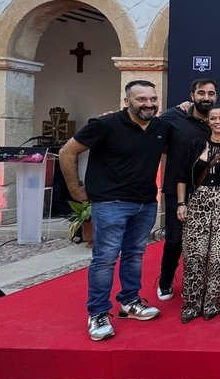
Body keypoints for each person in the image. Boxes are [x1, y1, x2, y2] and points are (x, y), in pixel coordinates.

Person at [59, 80, 170, 341]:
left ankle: (130, 301)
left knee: (134, 255)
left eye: (152, 99)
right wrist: (76, 191)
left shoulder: (161, 127)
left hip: (145, 203)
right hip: (111, 204)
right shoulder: (105, 124)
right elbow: (67, 152)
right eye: (141, 99)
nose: (149, 104)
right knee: (105, 258)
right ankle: (97, 313)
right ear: (127, 101)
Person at [175, 103, 220, 323]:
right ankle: (192, 302)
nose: (218, 122)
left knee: (218, 256)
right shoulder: (195, 144)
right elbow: (182, 176)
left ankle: (213, 301)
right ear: (208, 121)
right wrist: (181, 203)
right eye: (214, 118)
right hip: (197, 202)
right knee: (194, 254)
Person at [156, 79, 216, 302]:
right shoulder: (173, 116)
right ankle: (165, 279)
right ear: (192, 95)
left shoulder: (218, 119)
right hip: (176, 189)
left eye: (211, 93)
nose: (206, 97)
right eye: (202, 93)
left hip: (210, 190)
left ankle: (202, 282)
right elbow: (150, 135)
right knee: (175, 240)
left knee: (207, 242)